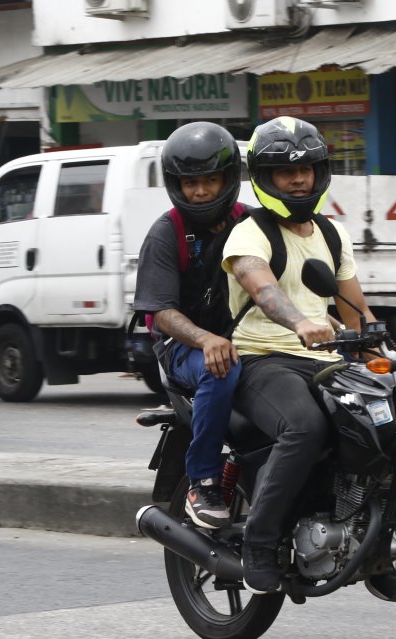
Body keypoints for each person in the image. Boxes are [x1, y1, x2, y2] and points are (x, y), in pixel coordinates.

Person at [221, 116, 378, 594]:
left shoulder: (332, 235)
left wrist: (387, 349)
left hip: (326, 361)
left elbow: (355, 311)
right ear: (264, 178)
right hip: (262, 360)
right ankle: (259, 543)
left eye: (306, 169)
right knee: (305, 426)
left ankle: (373, 542)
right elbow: (263, 289)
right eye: (285, 171)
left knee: (386, 422)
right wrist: (300, 323)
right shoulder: (248, 234)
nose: (298, 179)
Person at [134, 122, 247, 530]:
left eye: (210, 181)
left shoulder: (250, 224)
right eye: (190, 183)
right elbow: (161, 312)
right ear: (175, 184)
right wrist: (206, 339)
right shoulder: (166, 233)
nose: (200, 192)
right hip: (182, 346)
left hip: (244, 337)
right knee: (222, 366)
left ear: (227, 180)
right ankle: (204, 480)